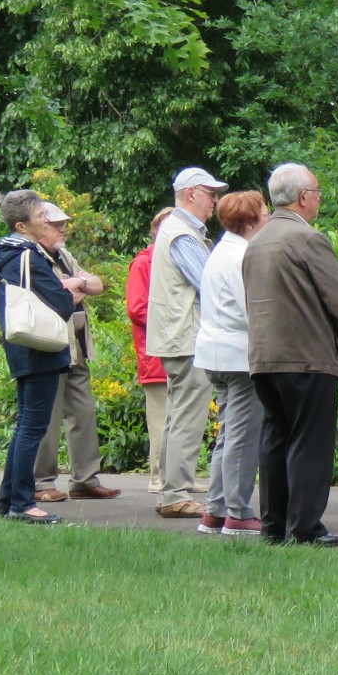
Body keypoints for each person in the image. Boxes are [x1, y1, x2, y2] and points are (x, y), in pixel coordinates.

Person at [243, 163, 338, 547]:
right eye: (318, 192)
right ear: (303, 197)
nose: (319, 199)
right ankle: (306, 527)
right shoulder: (308, 240)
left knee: (275, 437)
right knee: (310, 441)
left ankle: (274, 526)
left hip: (264, 357)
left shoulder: (256, 242)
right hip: (308, 356)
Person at [0, 190, 82, 524]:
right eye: (41, 215)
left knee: (25, 424)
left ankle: (8, 499)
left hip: (22, 348)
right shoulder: (29, 256)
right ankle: (23, 503)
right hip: (40, 348)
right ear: (22, 225)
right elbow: (60, 302)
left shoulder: (6, 254)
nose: (47, 219)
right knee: (33, 426)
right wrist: (75, 287)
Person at [148, 166, 229, 519]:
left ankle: (173, 490)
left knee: (178, 416)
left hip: (180, 336)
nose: (216, 200)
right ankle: (175, 495)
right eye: (211, 193)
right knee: (187, 417)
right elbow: (209, 283)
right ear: (191, 193)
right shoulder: (181, 233)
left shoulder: (179, 230)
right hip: (188, 338)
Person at [32, 203, 120, 503]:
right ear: (40, 226)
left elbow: (96, 285)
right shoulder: (34, 256)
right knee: (48, 415)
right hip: (51, 343)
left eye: (64, 223)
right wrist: (76, 287)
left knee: (82, 412)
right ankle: (41, 483)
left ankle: (85, 479)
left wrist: (79, 283)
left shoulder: (64, 255)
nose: (63, 229)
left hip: (77, 343)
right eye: (57, 224)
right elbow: (58, 295)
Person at [196, 189, 270, 536]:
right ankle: (238, 512)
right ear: (252, 220)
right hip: (239, 356)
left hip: (214, 352)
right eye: (264, 211)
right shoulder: (244, 256)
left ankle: (216, 509)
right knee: (241, 436)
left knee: (228, 435)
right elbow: (251, 310)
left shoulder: (220, 250)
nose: (268, 216)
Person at [124, 208, 174, 494]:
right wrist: (175, 321)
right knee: (161, 418)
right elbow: (137, 308)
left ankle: (179, 475)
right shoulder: (144, 262)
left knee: (180, 417)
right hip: (154, 353)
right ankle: (157, 476)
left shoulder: (174, 261)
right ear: (155, 232)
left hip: (176, 348)